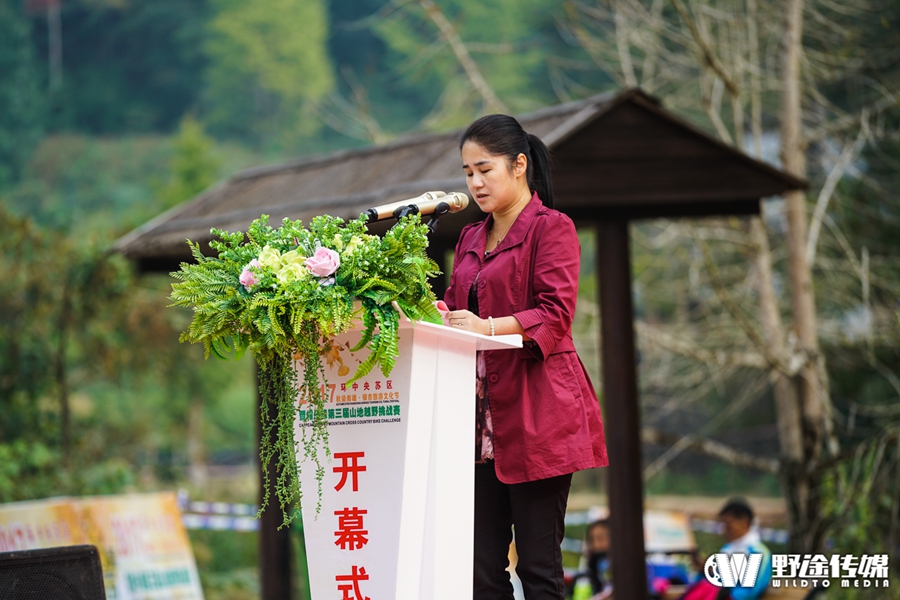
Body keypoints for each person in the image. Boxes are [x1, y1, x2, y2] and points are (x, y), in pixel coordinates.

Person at [443, 114, 609, 600]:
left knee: (539, 570)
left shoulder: (552, 228)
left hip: (539, 417)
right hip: (477, 425)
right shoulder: (470, 237)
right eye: (467, 171)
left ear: (519, 165)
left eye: (485, 169)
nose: (475, 182)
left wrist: (487, 327)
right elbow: (457, 309)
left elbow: (556, 315)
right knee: (482, 573)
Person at [681, 498, 772, 600]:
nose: (724, 530)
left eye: (728, 525)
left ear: (744, 522)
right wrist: (706, 570)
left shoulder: (759, 553)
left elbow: (749, 592)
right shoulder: (728, 549)